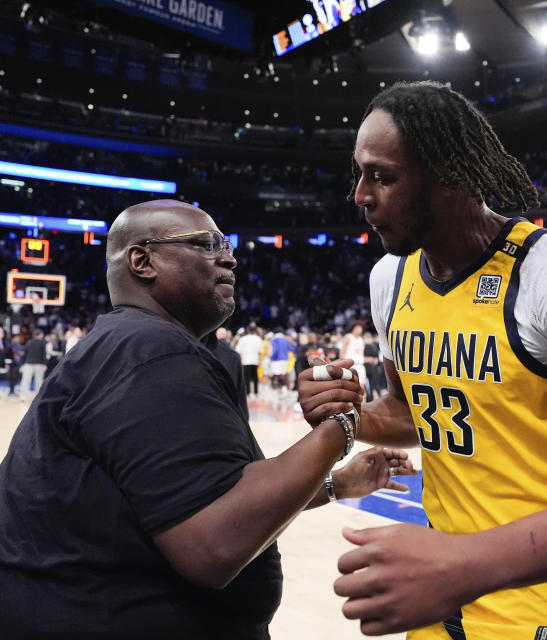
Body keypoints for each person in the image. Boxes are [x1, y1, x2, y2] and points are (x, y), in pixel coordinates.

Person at [298, 81, 547, 638]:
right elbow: (414, 413)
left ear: (449, 172)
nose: (360, 194)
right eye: (358, 174)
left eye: (382, 176)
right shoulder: (390, 278)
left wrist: (464, 565)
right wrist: (348, 412)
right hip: (437, 596)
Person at [0, 200, 415, 638]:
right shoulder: (149, 350)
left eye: (227, 244)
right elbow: (215, 546)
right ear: (143, 261)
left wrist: (336, 484)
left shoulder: (133, 345)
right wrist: (341, 426)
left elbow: (209, 495)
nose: (229, 256)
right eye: (205, 244)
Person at [235, 324, 264, 398]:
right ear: (255, 331)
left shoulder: (243, 339)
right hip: (255, 360)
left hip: (245, 360)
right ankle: (256, 393)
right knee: (255, 377)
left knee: (246, 377)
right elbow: (260, 351)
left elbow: (238, 350)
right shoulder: (258, 339)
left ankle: (247, 393)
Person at [19, 328, 47, 401]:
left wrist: (22, 364)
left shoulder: (29, 342)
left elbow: (24, 354)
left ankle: (23, 396)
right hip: (39, 364)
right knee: (39, 381)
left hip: (28, 364)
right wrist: (45, 364)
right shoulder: (42, 343)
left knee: (25, 380)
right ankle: (38, 397)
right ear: (40, 335)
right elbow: (43, 354)